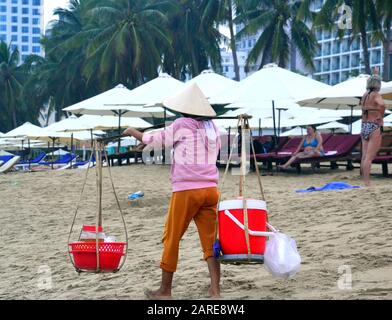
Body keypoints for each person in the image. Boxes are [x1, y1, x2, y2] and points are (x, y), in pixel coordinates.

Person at [123, 84, 221, 299]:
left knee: (172, 238)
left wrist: (133, 132)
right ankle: (215, 291)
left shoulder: (181, 123)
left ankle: (165, 291)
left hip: (187, 190)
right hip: (211, 189)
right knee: (210, 241)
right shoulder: (212, 128)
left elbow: (154, 140)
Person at [360, 73, 386, 186]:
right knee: (369, 157)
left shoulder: (365, 95)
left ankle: (365, 180)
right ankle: (367, 183)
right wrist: (380, 116)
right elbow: (382, 105)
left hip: (364, 125)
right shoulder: (376, 94)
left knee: (365, 155)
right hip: (374, 126)